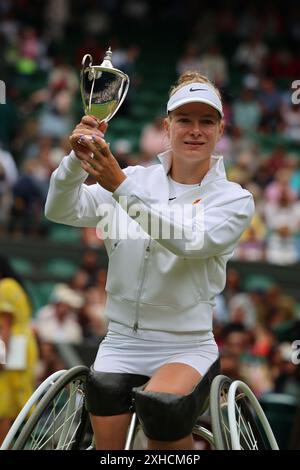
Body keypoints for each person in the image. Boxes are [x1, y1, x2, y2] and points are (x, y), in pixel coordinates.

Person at [45, 71, 254, 450]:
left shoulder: (234, 199)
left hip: (186, 346)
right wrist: (76, 161)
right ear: (166, 126)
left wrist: (120, 188)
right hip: (120, 340)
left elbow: (190, 241)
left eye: (206, 121)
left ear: (221, 130)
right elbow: (60, 209)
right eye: (184, 120)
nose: (195, 130)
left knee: (163, 407)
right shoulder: (133, 179)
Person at [0, 257, 38, 445]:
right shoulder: (15, 286)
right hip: (22, 347)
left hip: (11, 347)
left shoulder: (5, 287)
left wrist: (1, 356)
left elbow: (3, 326)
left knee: (3, 408)